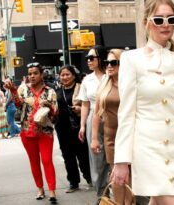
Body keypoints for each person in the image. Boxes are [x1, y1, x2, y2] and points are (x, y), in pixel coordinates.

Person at [111, 1, 174, 205]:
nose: (165, 24)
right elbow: (126, 114)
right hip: (147, 149)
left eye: (171, 19)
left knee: (156, 200)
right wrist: (121, 160)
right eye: (159, 19)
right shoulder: (131, 59)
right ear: (146, 23)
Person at [5, 62, 58, 203]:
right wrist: (13, 91)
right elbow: (18, 104)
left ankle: (52, 191)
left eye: (35, 73)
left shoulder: (50, 91)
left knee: (47, 160)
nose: (32, 76)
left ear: (41, 75)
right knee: (34, 161)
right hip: (27, 132)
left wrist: (49, 107)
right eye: (30, 74)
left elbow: (55, 113)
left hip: (45, 132)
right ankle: (40, 189)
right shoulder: (23, 89)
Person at [91, 49, 132, 205]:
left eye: (113, 62)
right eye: (107, 62)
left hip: (129, 135)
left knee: (130, 176)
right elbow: (96, 113)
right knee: (116, 176)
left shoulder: (130, 83)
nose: (109, 66)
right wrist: (94, 138)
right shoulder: (104, 83)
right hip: (110, 137)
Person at [77, 45, 110, 201]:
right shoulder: (87, 80)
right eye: (87, 58)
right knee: (96, 157)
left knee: (114, 155)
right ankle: (101, 194)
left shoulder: (111, 75)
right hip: (92, 119)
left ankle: (116, 190)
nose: (88, 61)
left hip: (111, 117)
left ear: (101, 58)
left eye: (91, 58)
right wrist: (83, 125)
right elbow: (85, 104)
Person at [54, 65, 91, 193]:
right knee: (67, 156)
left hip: (78, 127)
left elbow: (89, 105)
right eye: (62, 75)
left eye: (67, 74)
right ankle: (73, 182)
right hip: (62, 128)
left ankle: (89, 177)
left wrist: (80, 109)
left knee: (83, 154)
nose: (64, 77)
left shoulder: (81, 88)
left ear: (74, 75)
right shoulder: (57, 91)